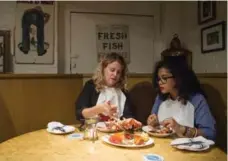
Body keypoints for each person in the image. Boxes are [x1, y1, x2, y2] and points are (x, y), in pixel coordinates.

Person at [147, 60, 216, 140]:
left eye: (164, 78)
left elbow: (211, 133)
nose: (160, 82)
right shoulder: (160, 98)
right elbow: (153, 124)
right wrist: (153, 123)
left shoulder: (196, 99)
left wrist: (183, 130)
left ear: (178, 77)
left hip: (188, 148)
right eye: (158, 79)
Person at [75, 53, 133, 122]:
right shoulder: (91, 85)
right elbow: (79, 113)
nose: (115, 74)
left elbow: (128, 116)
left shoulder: (123, 91)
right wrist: (98, 109)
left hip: (118, 131)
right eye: (112, 70)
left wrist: (131, 121)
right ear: (103, 69)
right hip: (93, 130)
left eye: (118, 72)